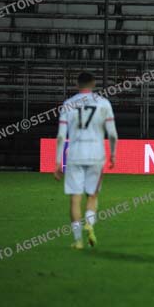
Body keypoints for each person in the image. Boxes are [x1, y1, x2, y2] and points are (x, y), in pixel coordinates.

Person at [53, 72, 118, 249]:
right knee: (93, 195)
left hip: (74, 154)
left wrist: (58, 161)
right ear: (94, 84)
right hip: (96, 155)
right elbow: (112, 134)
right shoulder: (104, 103)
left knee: (75, 198)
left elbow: (61, 136)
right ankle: (89, 224)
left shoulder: (68, 104)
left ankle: (78, 241)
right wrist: (113, 154)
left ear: (77, 84)